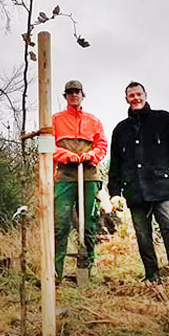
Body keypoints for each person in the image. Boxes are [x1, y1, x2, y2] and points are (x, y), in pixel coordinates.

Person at [108, 81, 169, 283]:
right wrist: (115, 192)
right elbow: (115, 163)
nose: (135, 98)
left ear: (145, 95)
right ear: (126, 99)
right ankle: (152, 276)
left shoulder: (164, 119)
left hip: (161, 188)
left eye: (138, 94)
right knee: (143, 236)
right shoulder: (120, 130)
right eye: (131, 95)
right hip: (135, 191)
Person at [52, 80, 107, 280]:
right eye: (70, 92)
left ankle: (86, 269)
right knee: (60, 224)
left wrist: (91, 155)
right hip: (65, 177)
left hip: (89, 176)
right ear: (65, 96)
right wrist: (66, 155)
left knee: (89, 224)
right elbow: (50, 146)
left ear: (83, 95)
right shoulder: (56, 120)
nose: (74, 95)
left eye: (77, 92)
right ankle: (56, 272)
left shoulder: (93, 121)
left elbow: (102, 145)